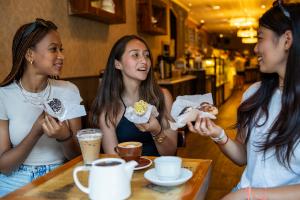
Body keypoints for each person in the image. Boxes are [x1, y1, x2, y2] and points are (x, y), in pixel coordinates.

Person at [188, 2, 300, 199]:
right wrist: (217, 134)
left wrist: (249, 195)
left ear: (287, 40)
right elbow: (243, 157)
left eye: (260, 38)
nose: (255, 48)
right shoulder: (255, 93)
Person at [0, 18, 83, 196]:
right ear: (30, 55)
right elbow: (4, 166)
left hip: (60, 175)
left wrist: (64, 137)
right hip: (15, 180)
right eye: (53, 49)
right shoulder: (3, 96)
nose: (61, 56)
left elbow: (79, 157)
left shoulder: (70, 91)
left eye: (61, 49)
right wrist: (35, 132)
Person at [90, 35, 177, 156]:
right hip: (127, 173)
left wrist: (156, 131)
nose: (144, 61)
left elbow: (170, 153)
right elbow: (114, 160)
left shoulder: (163, 96)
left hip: (161, 171)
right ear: (117, 64)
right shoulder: (109, 109)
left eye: (146, 55)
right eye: (135, 55)